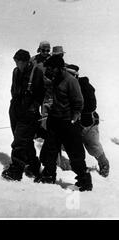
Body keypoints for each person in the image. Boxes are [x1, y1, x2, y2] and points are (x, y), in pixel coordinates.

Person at [36, 55, 92, 191]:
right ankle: (49, 176)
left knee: (75, 153)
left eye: (52, 68)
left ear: (59, 68)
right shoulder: (55, 79)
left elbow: (79, 102)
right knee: (50, 150)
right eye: (49, 68)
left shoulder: (71, 81)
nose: (50, 70)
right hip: (55, 121)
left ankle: (84, 180)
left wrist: (73, 119)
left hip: (68, 123)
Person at [1, 49, 45, 181]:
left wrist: (32, 108)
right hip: (15, 109)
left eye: (18, 61)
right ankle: (34, 165)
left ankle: (16, 171)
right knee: (23, 140)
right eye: (15, 61)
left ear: (26, 61)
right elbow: (13, 89)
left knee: (19, 141)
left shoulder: (36, 73)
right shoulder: (15, 71)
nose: (16, 64)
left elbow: (40, 94)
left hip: (29, 113)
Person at [66, 64, 109, 177]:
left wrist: (76, 109)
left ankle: (104, 164)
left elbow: (91, 105)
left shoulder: (85, 87)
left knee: (92, 146)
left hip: (88, 123)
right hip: (74, 122)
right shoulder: (65, 85)